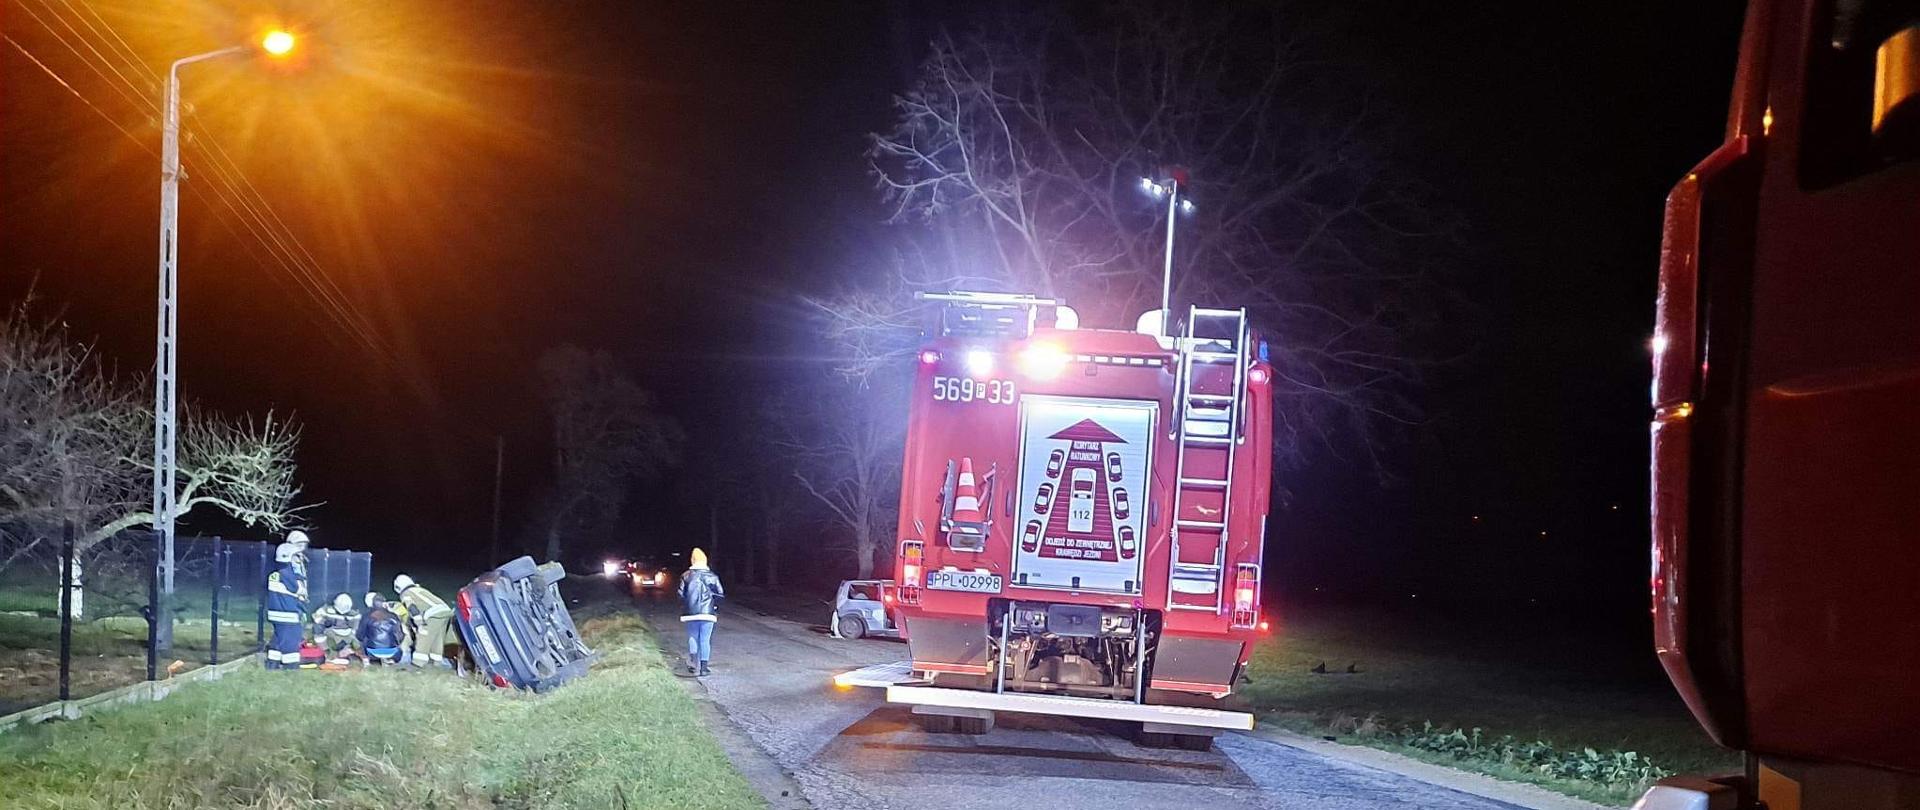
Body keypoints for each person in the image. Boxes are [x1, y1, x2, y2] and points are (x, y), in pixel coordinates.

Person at [677, 547, 724, 677]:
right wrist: (714, 607)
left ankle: (693, 664)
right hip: (707, 613)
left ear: (692, 560)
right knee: (705, 639)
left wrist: (685, 606)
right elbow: (720, 595)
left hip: (690, 613)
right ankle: (704, 668)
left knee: (692, 637)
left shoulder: (685, 576)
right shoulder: (712, 576)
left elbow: (680, 595)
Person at [394, 574, 455, 668]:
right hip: (445, 612)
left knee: (423, 637)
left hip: (433, 615)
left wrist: (420, 624)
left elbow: (412, 608)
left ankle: (418, 663)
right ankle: (437, 662)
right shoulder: (420, 589)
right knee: (438, 639)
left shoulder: (406, 593)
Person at [264, 542, 307, 670]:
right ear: (288, 557)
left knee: (277, 640)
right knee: (291, 641)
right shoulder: (287, 573)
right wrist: (300, 573)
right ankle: (291, 667)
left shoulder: (275, 573)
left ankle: (272, 664)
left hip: (275, 613)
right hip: (288, 615)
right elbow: (299, 590)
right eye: (296, 556)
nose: (299, 559)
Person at [356, 596, 409, 666]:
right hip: (392, 652)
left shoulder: (366, 616)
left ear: (373, 604)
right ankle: (390, 660)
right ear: (385, 604)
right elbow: (400, 636)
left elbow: (360, 636)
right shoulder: (393, 616)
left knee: (362, 641)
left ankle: (366, 660)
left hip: (371, 652)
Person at [311, 592, 360, 663]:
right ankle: (327, 653)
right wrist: (325, 622)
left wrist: (348, 647)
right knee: (319, 632)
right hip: (330, 634)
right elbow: (317, 624)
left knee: (356, 643)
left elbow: (355, 629)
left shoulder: (354, 614)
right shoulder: (325, 611)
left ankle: (349, 652)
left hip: (347, 636)